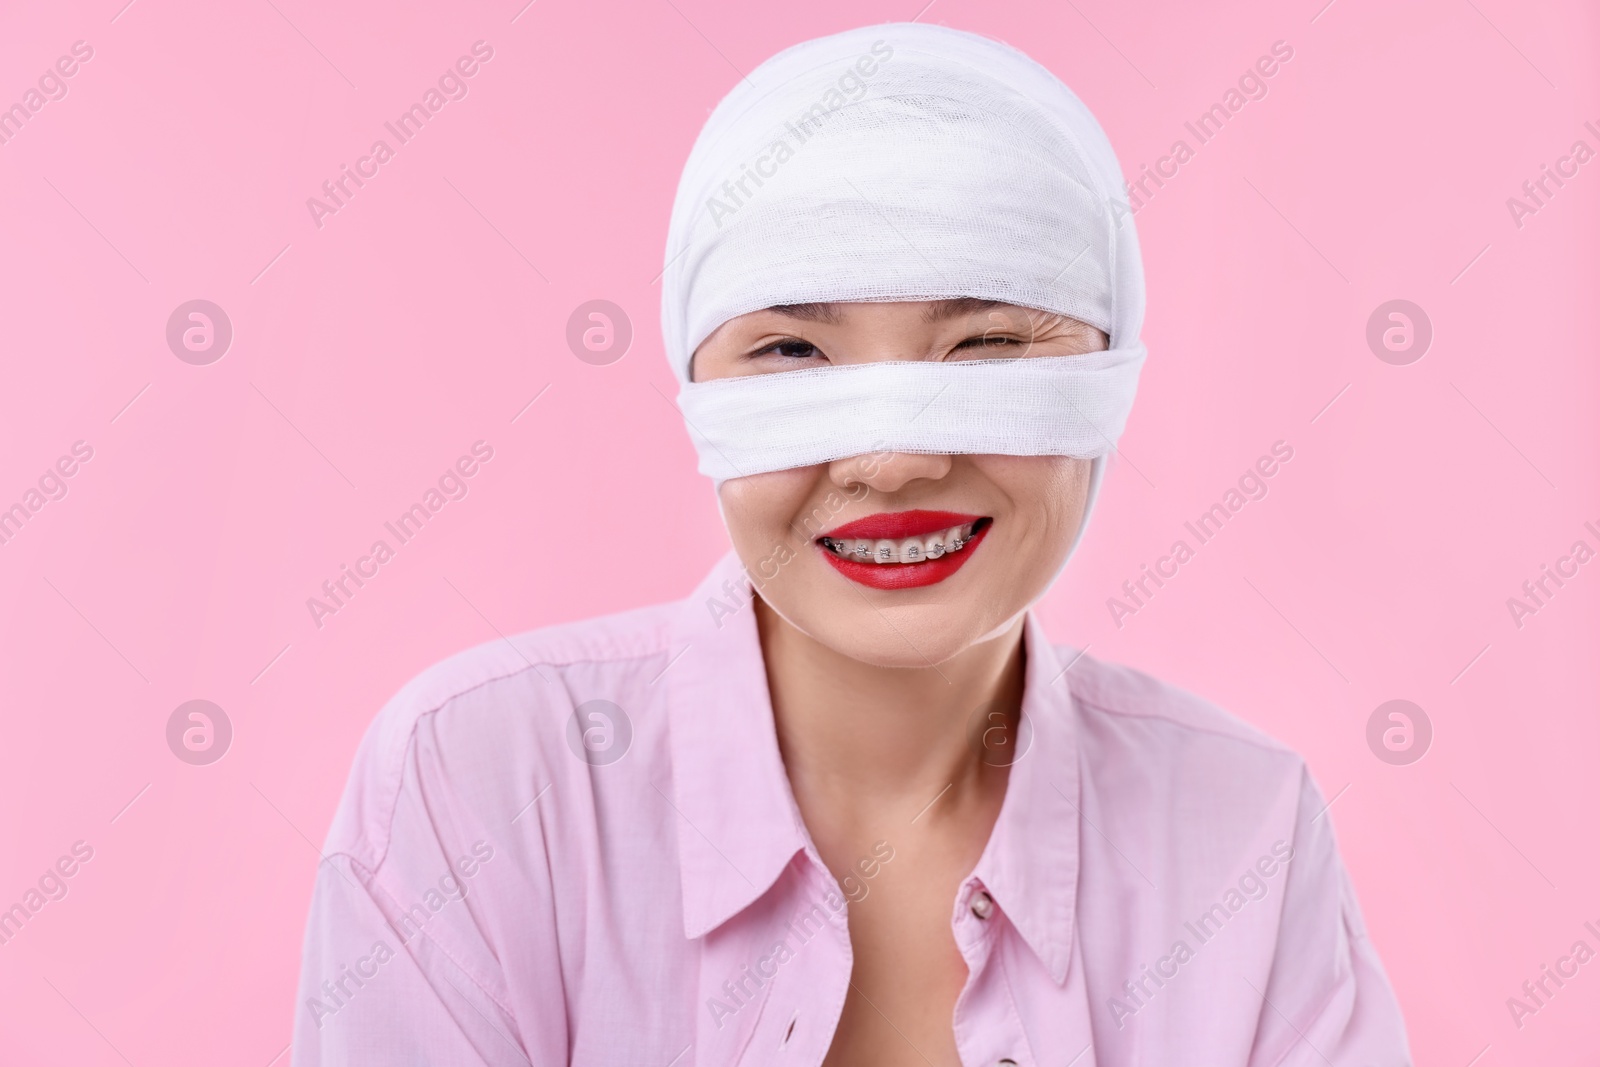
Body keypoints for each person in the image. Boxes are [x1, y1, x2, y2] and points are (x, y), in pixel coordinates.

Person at [292, 22, 1411, 1066]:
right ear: (694, 381)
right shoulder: (482, 786)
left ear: (1110, 377)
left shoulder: (1241, 830)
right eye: (790, 353)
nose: (890, 460)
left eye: (986, 345)